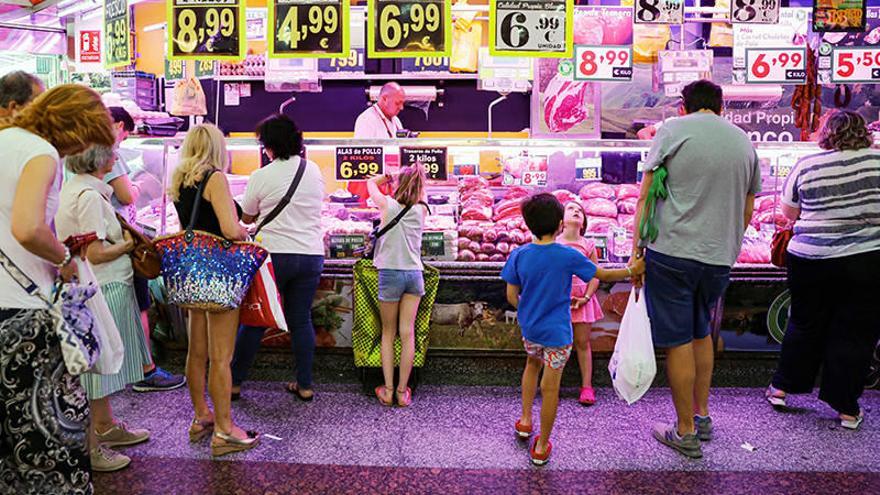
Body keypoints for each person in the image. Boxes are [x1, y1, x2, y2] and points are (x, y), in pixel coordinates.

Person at [629, 80, 760, 459]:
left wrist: (636, 252)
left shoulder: (673, 129)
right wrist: (727, 243)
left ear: (684, 106)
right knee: (702, 330)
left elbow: (645, 196)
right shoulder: (743, 140)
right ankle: (702, 416)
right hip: (718, 256)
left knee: (679, 341)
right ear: (720, 107)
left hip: (673, 252)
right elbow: (748, 208)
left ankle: (684, 430)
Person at [0, 84, 115, 493]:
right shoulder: (40, 152)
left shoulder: (4, 142)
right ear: (73, 128)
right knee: (49, 443)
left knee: (10, 452)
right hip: (23, 317)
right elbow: (28, 227)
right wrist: (63, 258)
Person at [503, 193, 645, 466]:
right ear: (559, 224)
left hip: (531, 329)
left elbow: (512, 295)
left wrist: (530, 307)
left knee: (531, 366)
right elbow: (601, 275)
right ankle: (542, 445)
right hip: (558, 333)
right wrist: (632, 269)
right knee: (551, 388)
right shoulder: (567, 254)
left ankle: (524, 421)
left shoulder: (519, 254)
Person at [766, 110, 880, 430]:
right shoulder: (878, 161)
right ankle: (845, 407)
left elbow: (788, 212)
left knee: (804, 323)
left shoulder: (808, 163)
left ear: (827, 133)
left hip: (810, 258)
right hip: (865, 258)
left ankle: (781, 389)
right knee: (853, 331)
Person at [56, 145, 153, 472]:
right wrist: (129, 244)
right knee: (98, 370)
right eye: (112, 154)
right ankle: (93, 447)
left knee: (98, 367)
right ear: (99, 161)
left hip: (93, 285)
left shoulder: (75, 189)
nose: (117, 158)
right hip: (104, 285)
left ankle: (105, 425)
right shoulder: (91, 198)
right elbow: (95, 253)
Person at [169, 123, 259, 457]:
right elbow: (229, 230)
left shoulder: (179, 180)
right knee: (222, 357)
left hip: (192, 273)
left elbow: (184, 228)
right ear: (217, 148)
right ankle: (225, 430)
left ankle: (201, 418)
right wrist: (245, 230)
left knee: (197, 352)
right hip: (219, 274)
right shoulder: (215, 178)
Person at [231, 114, 325, 402]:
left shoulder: (261, 176)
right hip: (310, 254)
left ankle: (234, 383)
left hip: (273, 256)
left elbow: (247, 217)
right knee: (300, 319)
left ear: (268, 147)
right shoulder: (314, 170)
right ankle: (305, 384)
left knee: (257, 319)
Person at [106, 106, 186, 393]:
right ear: (116, 125)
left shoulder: (77, 152)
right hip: (120, 243)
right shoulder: (108, 154)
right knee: (139, 306)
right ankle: (145, 370)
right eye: (125, 134)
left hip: (106, 243)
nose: (123, 141)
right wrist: (139, 186)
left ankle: (121, 370)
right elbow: (127, 195)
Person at [367, 165, 428, 408]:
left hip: (390, 274)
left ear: (397, 184)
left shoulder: (387, 205)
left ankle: (388, 390)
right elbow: (418, 193)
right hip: (414, 274)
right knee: (407, 333)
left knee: (388, 333)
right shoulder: (422, 210)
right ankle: (403, 392)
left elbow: (370, 183)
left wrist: (388, 176)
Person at [557, 201, 604, 406]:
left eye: (580, 211)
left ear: (584, 222)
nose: (576, 211)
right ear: (561, 221)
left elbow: (595, 275)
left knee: (583, 344)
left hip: (583, 301)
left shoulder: (588, 245)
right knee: (558, 345)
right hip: (559, 303)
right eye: (571, 209)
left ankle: (587, 386)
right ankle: (553, 384)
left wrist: (586, 297)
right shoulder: (555, 243)